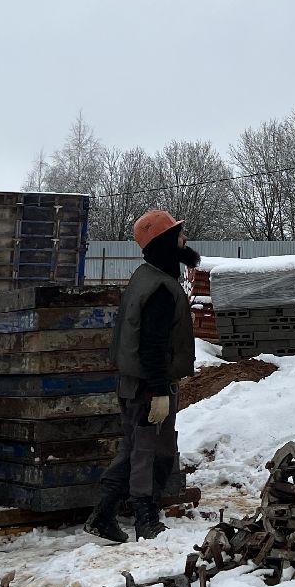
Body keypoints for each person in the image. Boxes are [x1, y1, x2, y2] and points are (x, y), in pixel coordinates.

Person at [84, 209, 200, 542]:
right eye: (178, 234)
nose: (185, 239)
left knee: (134, 449)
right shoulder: (161, 289)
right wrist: (160, 391)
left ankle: (103, 515)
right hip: (148, 387)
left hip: (136, 384)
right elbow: (151, 346)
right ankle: (145, 519)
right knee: (151, 452)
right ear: (165, 242)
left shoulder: (145, 277)